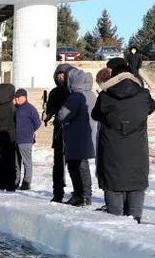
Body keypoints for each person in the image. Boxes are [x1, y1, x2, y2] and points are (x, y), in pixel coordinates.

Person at [91, 58, 155, 223]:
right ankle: (135, 232)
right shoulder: (143, 95)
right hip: (137, 154)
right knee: (135, 212)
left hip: (112, 154)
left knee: (115, 218)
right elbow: (152, 107)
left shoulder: (105, 96)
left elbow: (95, 114)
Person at [55, 68, 96, 206]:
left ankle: (80, 195)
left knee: (75, 166)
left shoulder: (75, 96)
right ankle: (86, 194)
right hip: (89, 135)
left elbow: (63, 114)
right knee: (83, 166)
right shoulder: (91, 94)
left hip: (76, 135)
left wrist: (58, 117)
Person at [44, 64, 73, 202]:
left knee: (60, 165)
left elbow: (47, 114)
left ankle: (58, 192)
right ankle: (81, 192)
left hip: (61, 131)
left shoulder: (56, 92)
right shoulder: (75, 91)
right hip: (73, 131)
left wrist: (46, 115)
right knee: (75, 164)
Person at [13, 88, 42, 190]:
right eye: (15, 97)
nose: (16, 99)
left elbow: (37, 123)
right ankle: (16, 182)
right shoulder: (15, 108)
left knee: (27, 163)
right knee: (16, 163)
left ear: (24, 97)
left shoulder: (30, 109)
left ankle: (26, 183)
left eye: (18, 97)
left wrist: (29, 131)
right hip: (15, 140)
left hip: (25, 140)